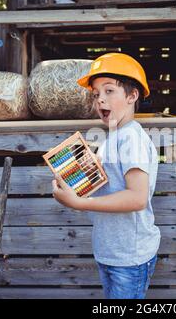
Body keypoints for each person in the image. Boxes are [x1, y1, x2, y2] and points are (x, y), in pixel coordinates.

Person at [51, 53, 160, 299]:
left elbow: (137, 198)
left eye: (109, 91)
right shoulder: (112, 137)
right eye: (96, 94)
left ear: (132, 96)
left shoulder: (131, 138)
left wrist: (79, 203)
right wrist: (74, 178)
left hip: (128, 257)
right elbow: (108, 184)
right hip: (111, 250)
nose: (100, 99)